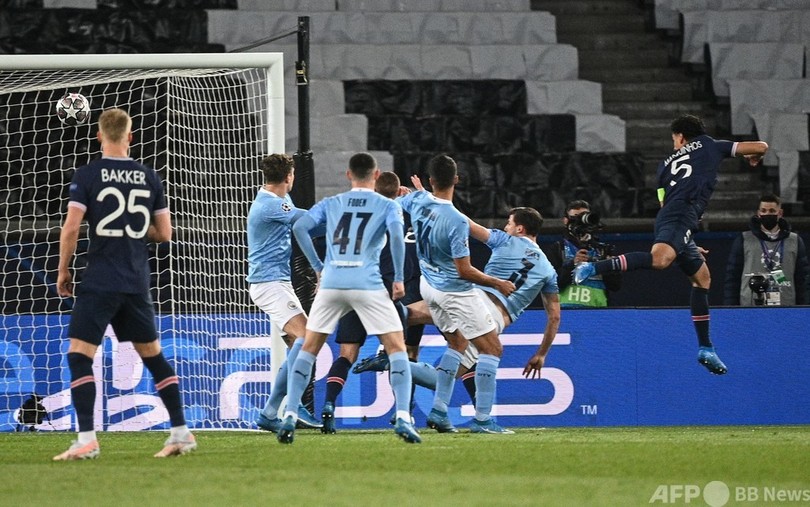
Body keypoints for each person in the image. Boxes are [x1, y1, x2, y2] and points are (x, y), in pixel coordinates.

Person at [574, 114, 769, 375]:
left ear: (680, 136)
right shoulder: (711, 145)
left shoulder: (664, 165)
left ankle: (706, 348)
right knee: (660, 260)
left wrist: (684, 241)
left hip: (675, 218)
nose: (674, 143)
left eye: (674, 139)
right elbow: (761, 146)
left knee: (702, 279)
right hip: (682, 216)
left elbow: (664, 203)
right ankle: (593, 268)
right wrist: (753, 157)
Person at [54, 108, 196, 460]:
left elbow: (72, 227)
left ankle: (87, 439)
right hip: (135, 280)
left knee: (79, 355)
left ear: (99, 136)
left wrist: (63, 269)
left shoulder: (88, 174)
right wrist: (132, 230)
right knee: (154, 357)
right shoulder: (149, 177)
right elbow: (164, 234)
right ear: (130, 136)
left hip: (101, 279)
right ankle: (181, 432)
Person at [355, 207, 561, 412]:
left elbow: (464, 222)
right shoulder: (548, 271)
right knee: (441, 379)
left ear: (520, 229)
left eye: (509, 223)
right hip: (490, 318)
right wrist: (541, 354)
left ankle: (370, 305)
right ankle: (390, 362)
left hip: (468, 299)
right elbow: (554, 318)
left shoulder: (504, 240)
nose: (506, 227)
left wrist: (430, 202)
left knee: (407, 313)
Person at [279, 152, 421, 444]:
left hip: (332, 283)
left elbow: (299, 227)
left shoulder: (332, 203)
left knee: (309, 348)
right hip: (367, 282)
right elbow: (397, 237)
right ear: (376, 175)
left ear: (348, 175)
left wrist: (318, 267)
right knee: (396, 348)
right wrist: (397, 278)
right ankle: (403, 417)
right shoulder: (387, 205)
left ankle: (290, 413)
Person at [397, 154, 517, 434]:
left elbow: (403, 199)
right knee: (492, 348)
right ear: (457, 180)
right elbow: (464, 270)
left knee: (458, 343)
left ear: (430, 181)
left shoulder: (418, 202)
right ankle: (483, 420)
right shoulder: (456, 220)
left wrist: (416, 193)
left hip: (428, 286)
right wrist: (496, 282)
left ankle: (439, 411)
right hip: (454, 291)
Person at [319, 171, 423, 434]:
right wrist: (414, 195)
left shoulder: (358, 217)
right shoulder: (401, 214)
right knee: (400, 354)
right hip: (384, 294)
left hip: (353, 289)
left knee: (346, 355)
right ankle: (404, 412)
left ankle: (329, 404)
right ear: (398, 192)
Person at [246, 154, 322, 433]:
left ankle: (272, 411)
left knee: (296, 346)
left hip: (277, 283)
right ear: (289, 177)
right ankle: (290, 405)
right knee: (307, 338)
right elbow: (310, 220)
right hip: (269, 285)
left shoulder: (278, 200)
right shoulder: (271, 205)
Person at [723, 193, 809, 306]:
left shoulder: (794, 240)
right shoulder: (744, 239)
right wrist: (730, 308)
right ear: (758, 213)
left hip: (786, 305)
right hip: (750, 306)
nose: (767, 214)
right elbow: (733, 278)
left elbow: (803, 279)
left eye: (772, 211)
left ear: (780, 213)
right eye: (763, 211)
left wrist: (805, 307)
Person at [544, 200, 621, 308]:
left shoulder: (603, 250)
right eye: (576, 217)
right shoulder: (557, 249)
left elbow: (615, 286)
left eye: (584, 217)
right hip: (565, 311)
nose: (581, 222)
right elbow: (551, 285)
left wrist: (608, 267)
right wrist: (572, 264)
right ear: (565, 221)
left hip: (599, 311)